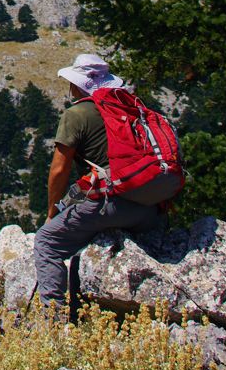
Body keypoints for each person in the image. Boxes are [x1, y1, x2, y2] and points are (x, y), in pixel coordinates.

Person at [33, 54, 158, 309]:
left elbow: (59, 170)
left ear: (78, 84)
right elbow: (95, 176)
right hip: (149, 206)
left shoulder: (77, 114)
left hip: (110, 204)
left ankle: (52, 321)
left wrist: (52, 212)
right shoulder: (130, 110)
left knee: (46, 242)